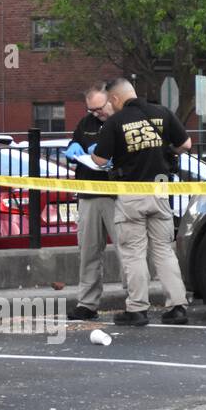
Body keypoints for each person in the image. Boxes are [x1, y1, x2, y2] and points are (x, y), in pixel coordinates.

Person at [92, 78, 191, 326]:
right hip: (160, 191)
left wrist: (93, 152)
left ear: (115, 99)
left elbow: (101, 161)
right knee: (164, 251)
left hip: (131, 195)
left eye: (109, 102)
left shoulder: (115, 122)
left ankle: (137, 309)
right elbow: (186, 144)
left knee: (134, 253)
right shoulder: (162, 112)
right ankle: (178, 306)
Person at [64, 83, 117, 321]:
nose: (97, 114)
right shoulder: (86, 124)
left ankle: (136, 302)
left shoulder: (123, 121)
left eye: (99, 108)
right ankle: (87, 303)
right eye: (91, 110)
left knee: (128, 252)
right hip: (88, 193)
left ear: (111, 100)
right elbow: (74, 147)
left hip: (117, 194)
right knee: (88, 252)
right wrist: (73, 152)